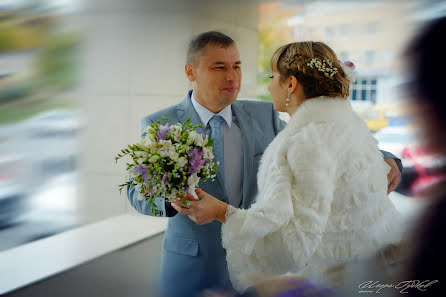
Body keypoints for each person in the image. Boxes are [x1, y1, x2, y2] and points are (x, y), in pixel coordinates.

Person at [127, 32, 402, 297]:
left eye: (237, 66)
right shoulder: (159, 123)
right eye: (219, 67)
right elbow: (136, 191)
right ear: (191, 72)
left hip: (260, 268)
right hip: (192, 266)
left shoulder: (263, 114)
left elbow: (322, 139)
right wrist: (170, 199)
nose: (232, 76)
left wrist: (383, 158)